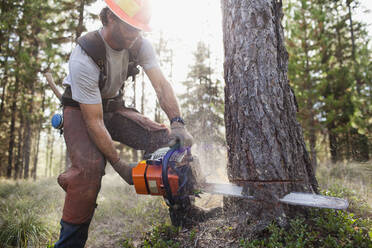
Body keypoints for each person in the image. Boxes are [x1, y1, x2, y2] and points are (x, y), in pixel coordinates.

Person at [54, 0, 193, 247]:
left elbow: (161, 85)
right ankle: (68, 244)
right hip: (80, 110)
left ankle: (186, 216)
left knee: (166, 139)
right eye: (130, 27)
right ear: (108, 18)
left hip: (112, 106)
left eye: (139, 28)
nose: (135, 34)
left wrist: (177, 123)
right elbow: (94, 121)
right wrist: (119, 164)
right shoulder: (85, 54)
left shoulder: (139, 44)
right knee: (89, 171)